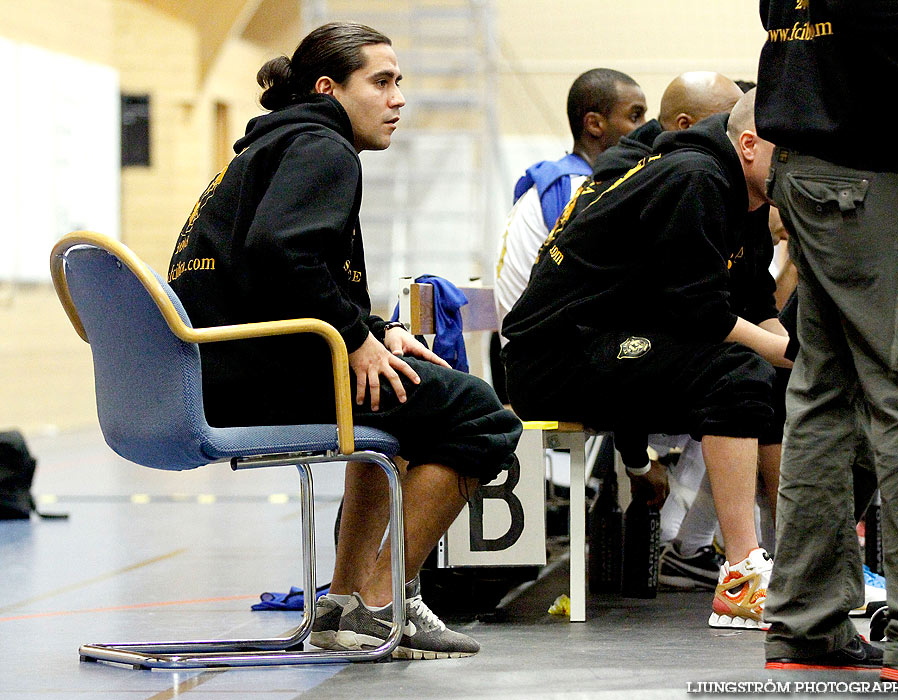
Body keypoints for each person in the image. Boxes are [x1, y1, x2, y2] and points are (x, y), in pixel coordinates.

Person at [167, 22, 522, 660]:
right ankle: (386, 602)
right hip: (260, 379)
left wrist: (379, 332)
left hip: (220, 373)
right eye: (381, 83)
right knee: (481, 417)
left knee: (400, 401)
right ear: (329, 89)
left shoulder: (267, 149)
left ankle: (345, 605)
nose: (398, 99)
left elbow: (283, 269)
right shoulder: (320, 146)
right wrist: (356, 338)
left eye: (400, 83)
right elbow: (282, 253)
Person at [503, 89, 791, 629]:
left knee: (775, 381)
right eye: (791, 150)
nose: (802, 164)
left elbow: (753, 303)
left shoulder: (746, 193)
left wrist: (800, 357)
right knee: (738, 371)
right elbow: (700, 315)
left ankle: (796, 566)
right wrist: (791, 353)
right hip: (555, 358)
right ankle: (741, 579)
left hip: (609, 343)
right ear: (749, 145)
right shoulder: (695, 178)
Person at [756, 1, 898, 677]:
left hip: (808, 168)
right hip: (875, 175)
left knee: (823, 400)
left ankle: (806, 625)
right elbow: (896, 39)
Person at [494, 69, 647, 336]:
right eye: (636, 116)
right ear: (594, 124)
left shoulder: (563, 180)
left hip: (528, 344)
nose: (646, 127)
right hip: (543, 353)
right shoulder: (584, 190)